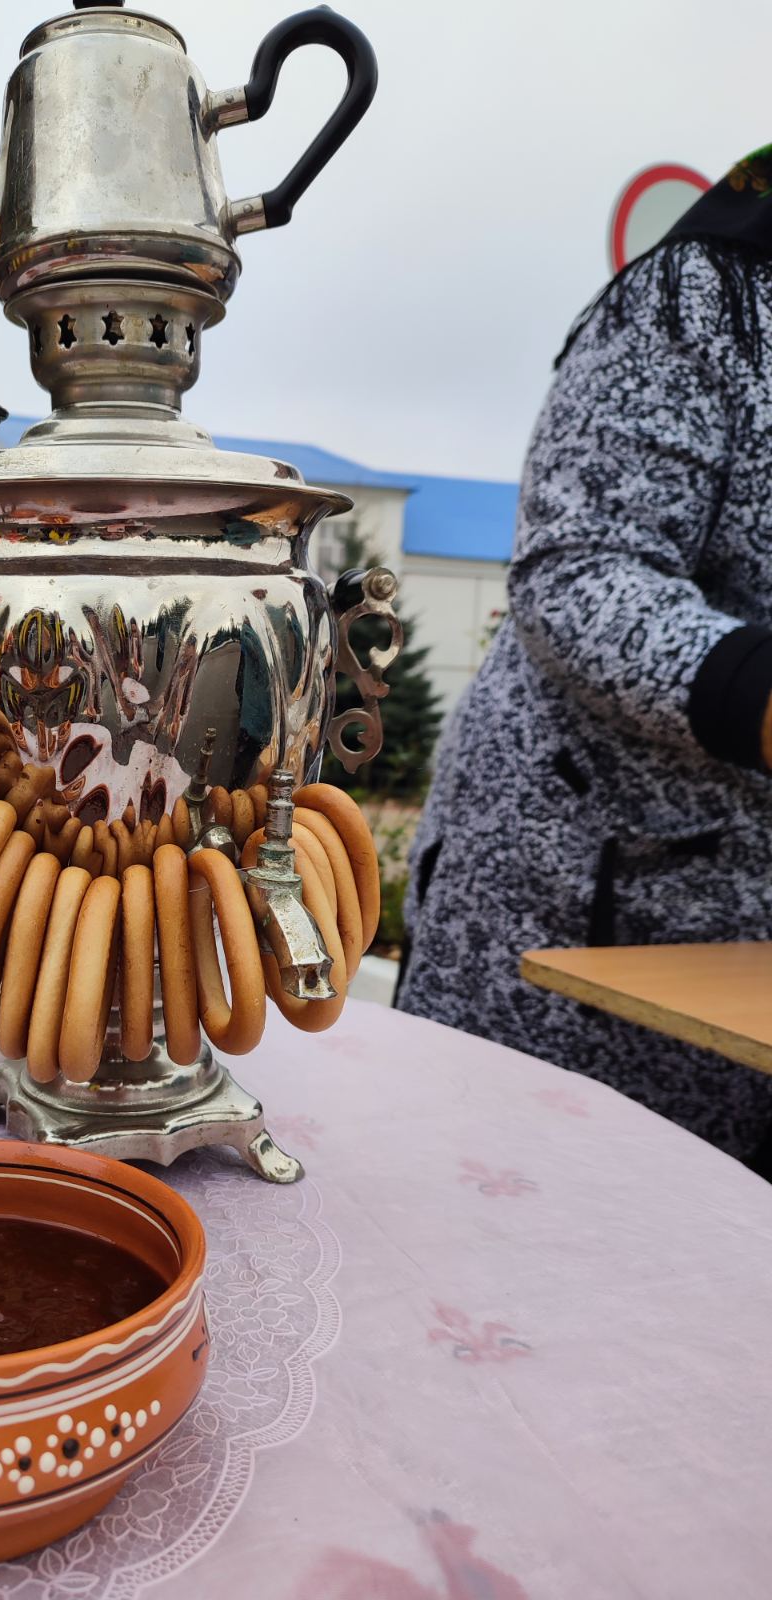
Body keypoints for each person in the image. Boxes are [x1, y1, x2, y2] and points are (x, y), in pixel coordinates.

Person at [395, 145, 772, 1163]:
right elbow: (580, 574)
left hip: (745, 974)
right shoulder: (706, 298)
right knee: (507, 1244)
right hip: (567, 907)